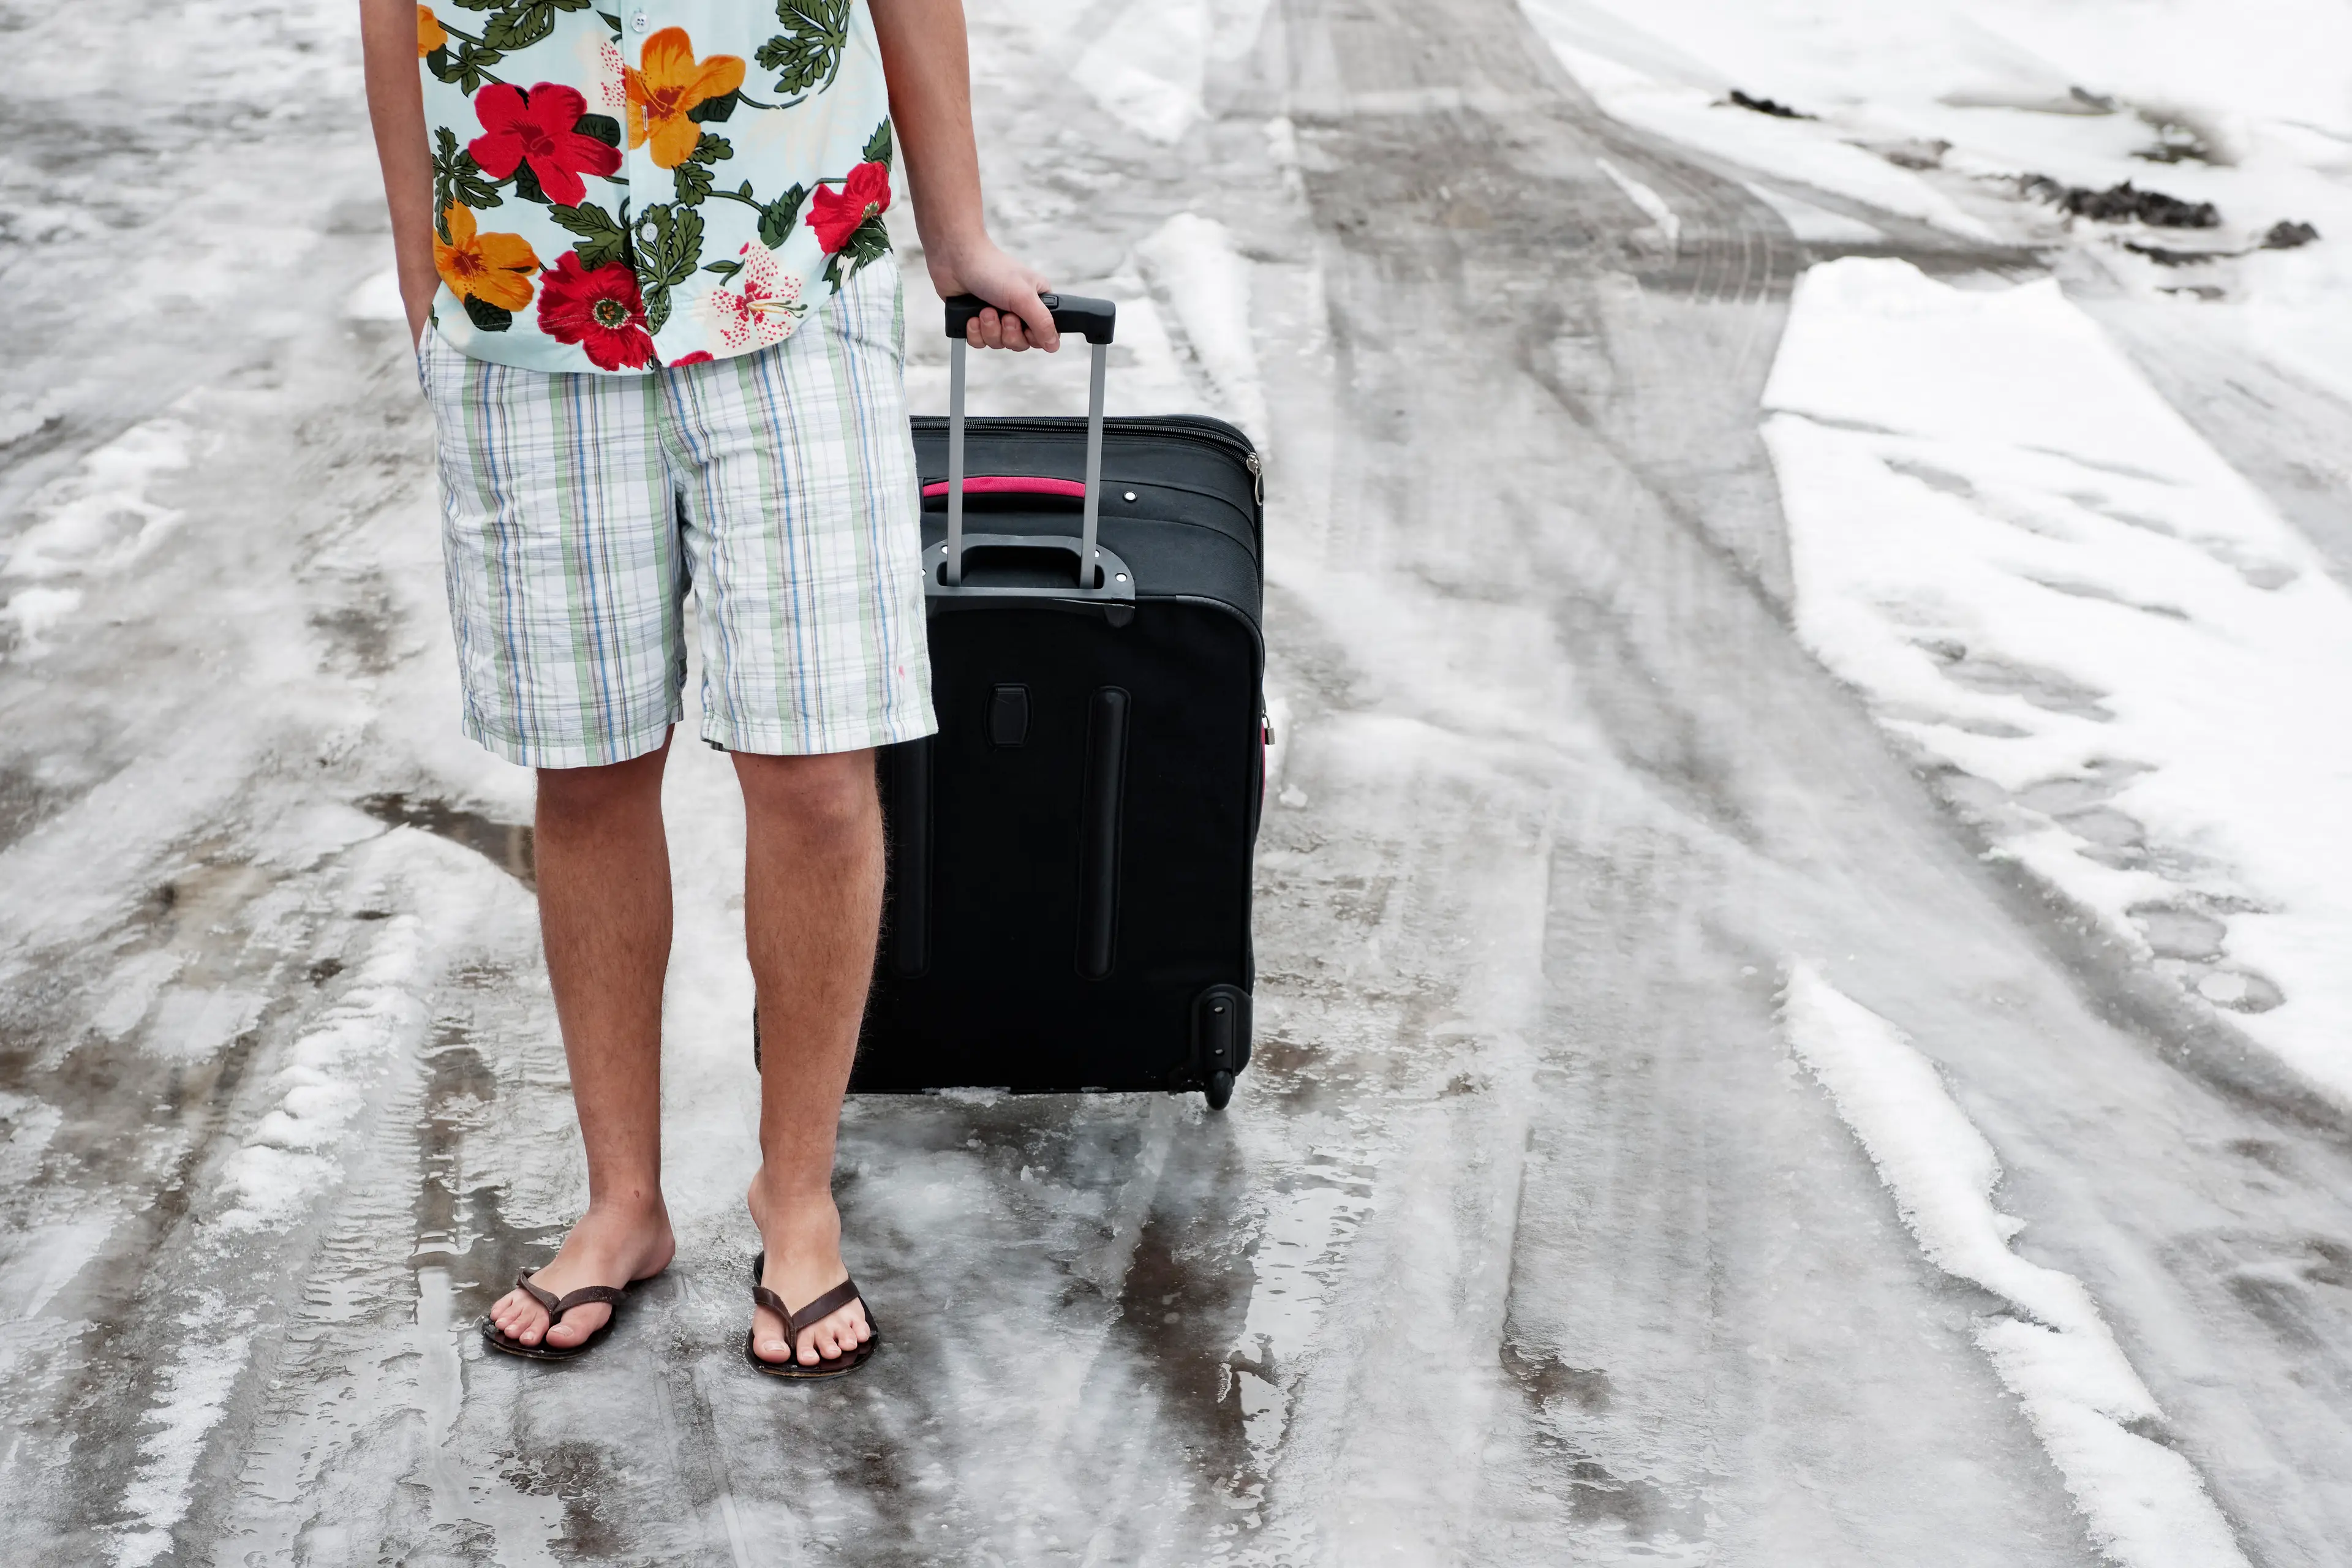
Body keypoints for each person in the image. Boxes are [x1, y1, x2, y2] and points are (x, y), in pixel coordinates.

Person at [358, 0, 1052, 1376]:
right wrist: (421, 272)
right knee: (592, 763)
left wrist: (958, 225)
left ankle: (795, 1194)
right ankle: (624, 1201)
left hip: (789, 267)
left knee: (814, 767)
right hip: (525, 284)